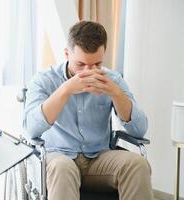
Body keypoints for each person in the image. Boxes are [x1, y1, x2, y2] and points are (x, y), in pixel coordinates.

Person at [23, 21, 153, 200]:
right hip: (59, 156)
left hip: (98, 158)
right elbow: (31, 129)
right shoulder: (44, 80)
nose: (89, 71)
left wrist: (115, 92)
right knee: (62, 168)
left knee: (137, 164)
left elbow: (139, 130)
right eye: (81, 64)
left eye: (97, 64)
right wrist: (65, 90)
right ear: (67, 54)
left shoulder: (113, 79)